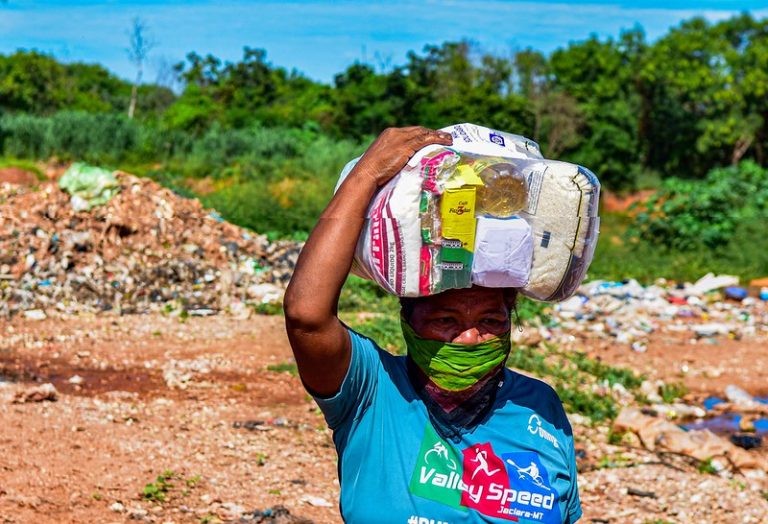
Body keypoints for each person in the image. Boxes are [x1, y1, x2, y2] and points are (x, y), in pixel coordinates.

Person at [284, 127, 581, 523]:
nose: (470, 337)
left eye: (491, 320)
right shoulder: (373, 392)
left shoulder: (539, 406)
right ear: (407, 319)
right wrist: (368, 173)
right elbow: (306, 315)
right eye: (445, 320)